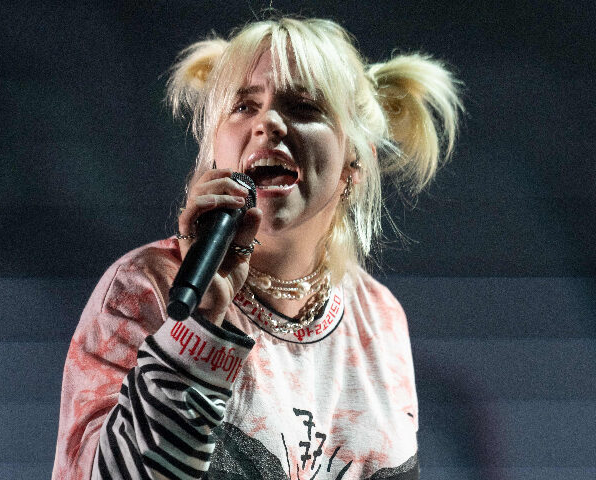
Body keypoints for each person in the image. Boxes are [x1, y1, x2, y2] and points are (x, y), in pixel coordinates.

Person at [52, 16, 462, 480]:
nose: (268, 122)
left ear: (354, 162)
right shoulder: (145, 287)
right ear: (215, 152)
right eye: (244, 106)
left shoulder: (380, 317)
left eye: (303, 107)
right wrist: (200, 326)